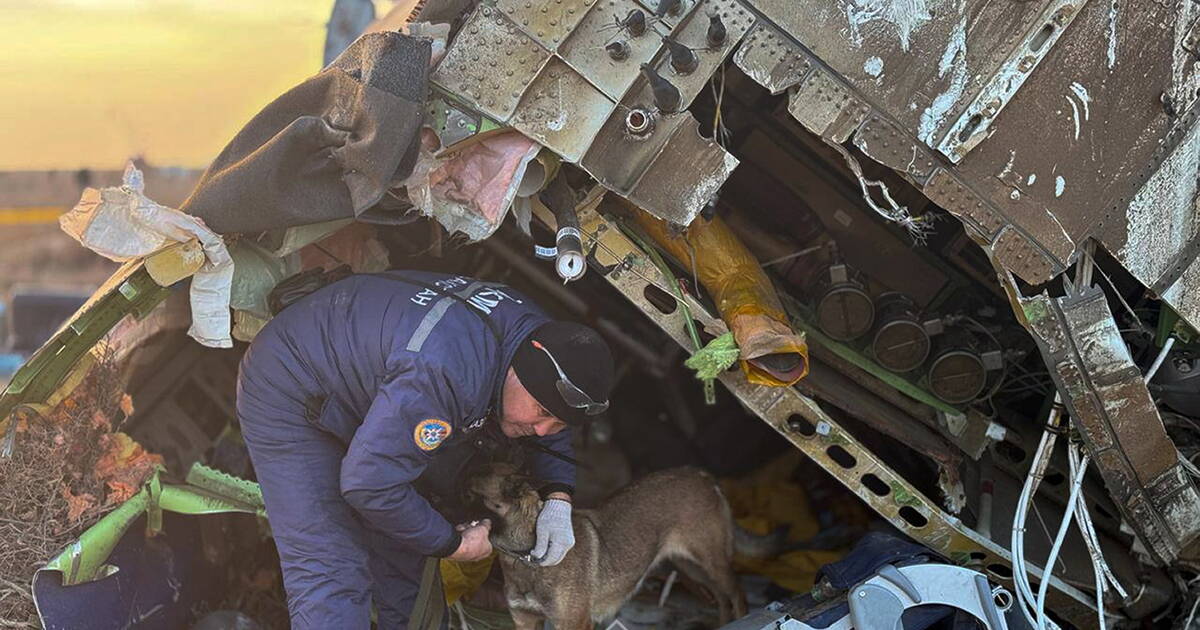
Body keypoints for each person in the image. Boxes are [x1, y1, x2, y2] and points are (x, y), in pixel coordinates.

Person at [236, 270, 615, 628]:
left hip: (368, 385)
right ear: (519, 372)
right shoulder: (447, 375)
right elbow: (369, 484)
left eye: (560, 424)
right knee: (332, 565)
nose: (542, 430)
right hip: (290, 383)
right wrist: (454, 544)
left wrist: (558, 495)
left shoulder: (540, 338)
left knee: (405, 552)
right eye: (542, 413)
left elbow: (551, 419)